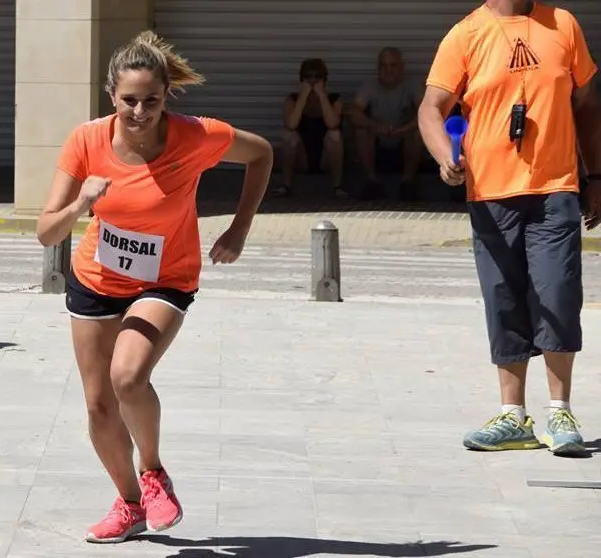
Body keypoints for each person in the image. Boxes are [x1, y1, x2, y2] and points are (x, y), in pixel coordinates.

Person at [36, 31, 271, 543]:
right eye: (129, 101)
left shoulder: (196, 136)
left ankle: (154, 472)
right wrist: (81, 206)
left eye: (152, 101)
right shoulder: (86, 140)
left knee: (128, 376)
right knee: (98, 407)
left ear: (168, 96)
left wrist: (239, 227)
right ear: (110, 95)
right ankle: (129, 503)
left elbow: (262, 154)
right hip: (95, 280)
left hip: (165, 278)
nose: (140, 112)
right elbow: (45, 231)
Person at [418, 0, 601, 456]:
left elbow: (588, 106)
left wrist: (595, 176)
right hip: (490, 192)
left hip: (555, 186)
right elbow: (431, 108)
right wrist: (446, 155)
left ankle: (561, 410)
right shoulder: (466, 33)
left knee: (557, 292)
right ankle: (513, 416)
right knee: (503, 297)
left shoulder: (563, 24)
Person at [349, 47, 424, 201]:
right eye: (384, 66)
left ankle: (407, 183)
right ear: (378, 68)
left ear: (402, 67)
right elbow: (354, 112)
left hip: (404, 139)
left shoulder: (413, 85)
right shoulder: (370, 86)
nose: (388, 70)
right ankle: (372, 182)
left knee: (418, 133)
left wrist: (405, 129)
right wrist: (374, 125)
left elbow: (426, 114)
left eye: (393, 65)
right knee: (361, 131)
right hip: (378, 140)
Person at [276, 58, 346, 199]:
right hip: (303, 158)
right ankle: (285, 185)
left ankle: (337, 187)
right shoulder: (292, 100)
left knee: (335, 135)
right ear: (302, 79)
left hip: (325, 157)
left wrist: (321, 96)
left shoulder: (335, 99)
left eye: (318, 77)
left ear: (324, 79)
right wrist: (303, 97)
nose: (313, 81)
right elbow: (291, 124)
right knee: (289, 136)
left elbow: (333, 124)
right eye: (308, 77)